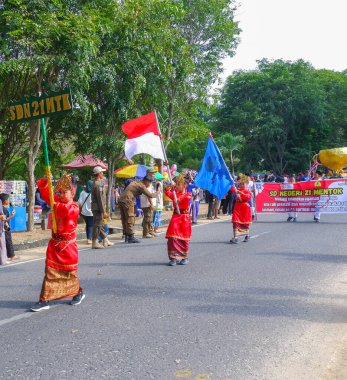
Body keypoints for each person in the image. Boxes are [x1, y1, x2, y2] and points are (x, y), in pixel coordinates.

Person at [30, 174, 85, 312]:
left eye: (64, 192)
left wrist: (53, 203)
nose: (61, 195)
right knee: (50, 272)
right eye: (59, 192)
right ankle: (44, 300)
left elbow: (65, 211)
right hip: (55, 245)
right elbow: (45, 192)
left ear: (72, 193)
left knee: (70, 273)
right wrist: (45, 179)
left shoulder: (74, 207)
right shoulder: (57, 203)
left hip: (68, 246)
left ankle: (78, 293)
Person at [118, 176, 158, 243]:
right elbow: (150, 195)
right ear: (147, 182)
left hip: (121, 199)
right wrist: (158, 192)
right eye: (150, 183)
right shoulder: (141, 185)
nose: (150, 185)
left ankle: (126, 235)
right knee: (130, 218)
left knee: (124, 218)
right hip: (128, 199)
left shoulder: (136, 182)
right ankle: (131, 236)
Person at [165, 174, 192, 266]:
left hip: (184, 218)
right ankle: (173, 257)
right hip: (175, 216)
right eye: (176, 184)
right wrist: (168, 186)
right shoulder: (174, 195)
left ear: (185, 185)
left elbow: (186, 198)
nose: (176, 186)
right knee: (172, 237)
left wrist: (178, 200)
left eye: (178, 184)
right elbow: (166, 192)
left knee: (183, 238)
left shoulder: (188, 194)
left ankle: (184, 257)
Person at [91, 166, 113, 249]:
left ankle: (105, 239)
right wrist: (103, 211)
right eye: (102, 172)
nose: (103, 174)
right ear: (99, 173)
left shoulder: (97, 183)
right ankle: (94, 242)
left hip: (97, 207)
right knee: (97, 225)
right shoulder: (98, 184)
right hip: (98, 208)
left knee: (101, 224)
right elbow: (100, 199)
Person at [230, 174, 253, 244]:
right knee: (235, 222)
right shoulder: (237, 189)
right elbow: (231, 188)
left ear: (246, 184)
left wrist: (240, 193)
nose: (241, 185)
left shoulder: (248, 191)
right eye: (240, 184)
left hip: (245, 208)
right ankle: (235, 237)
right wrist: (233, 182)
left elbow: (247, 197)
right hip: (237, 207)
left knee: (245, 223)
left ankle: (247, 235)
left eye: (243, 184)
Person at [0, 193, 18, 261]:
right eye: (8, 199)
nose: (9, 201)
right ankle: (11, 255)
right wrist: (12, 216)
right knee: (8, 241)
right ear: (4, 201)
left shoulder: (3, 208)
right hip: (4, 228)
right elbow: (4, 219)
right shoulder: (3, 209)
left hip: (3, 227)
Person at [77, 180, 93, 244]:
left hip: (84, 213)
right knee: (90, 225)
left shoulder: (83, 192)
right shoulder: (93, 193)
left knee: (88, 225)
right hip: (91, 212)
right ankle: (89, 239)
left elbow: (79, 203)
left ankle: (89, 238)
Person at [0, 199, 7, 265]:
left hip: (1, 226)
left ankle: (3, 261)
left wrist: (5, 222)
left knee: (2, 244)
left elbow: (1, 213)